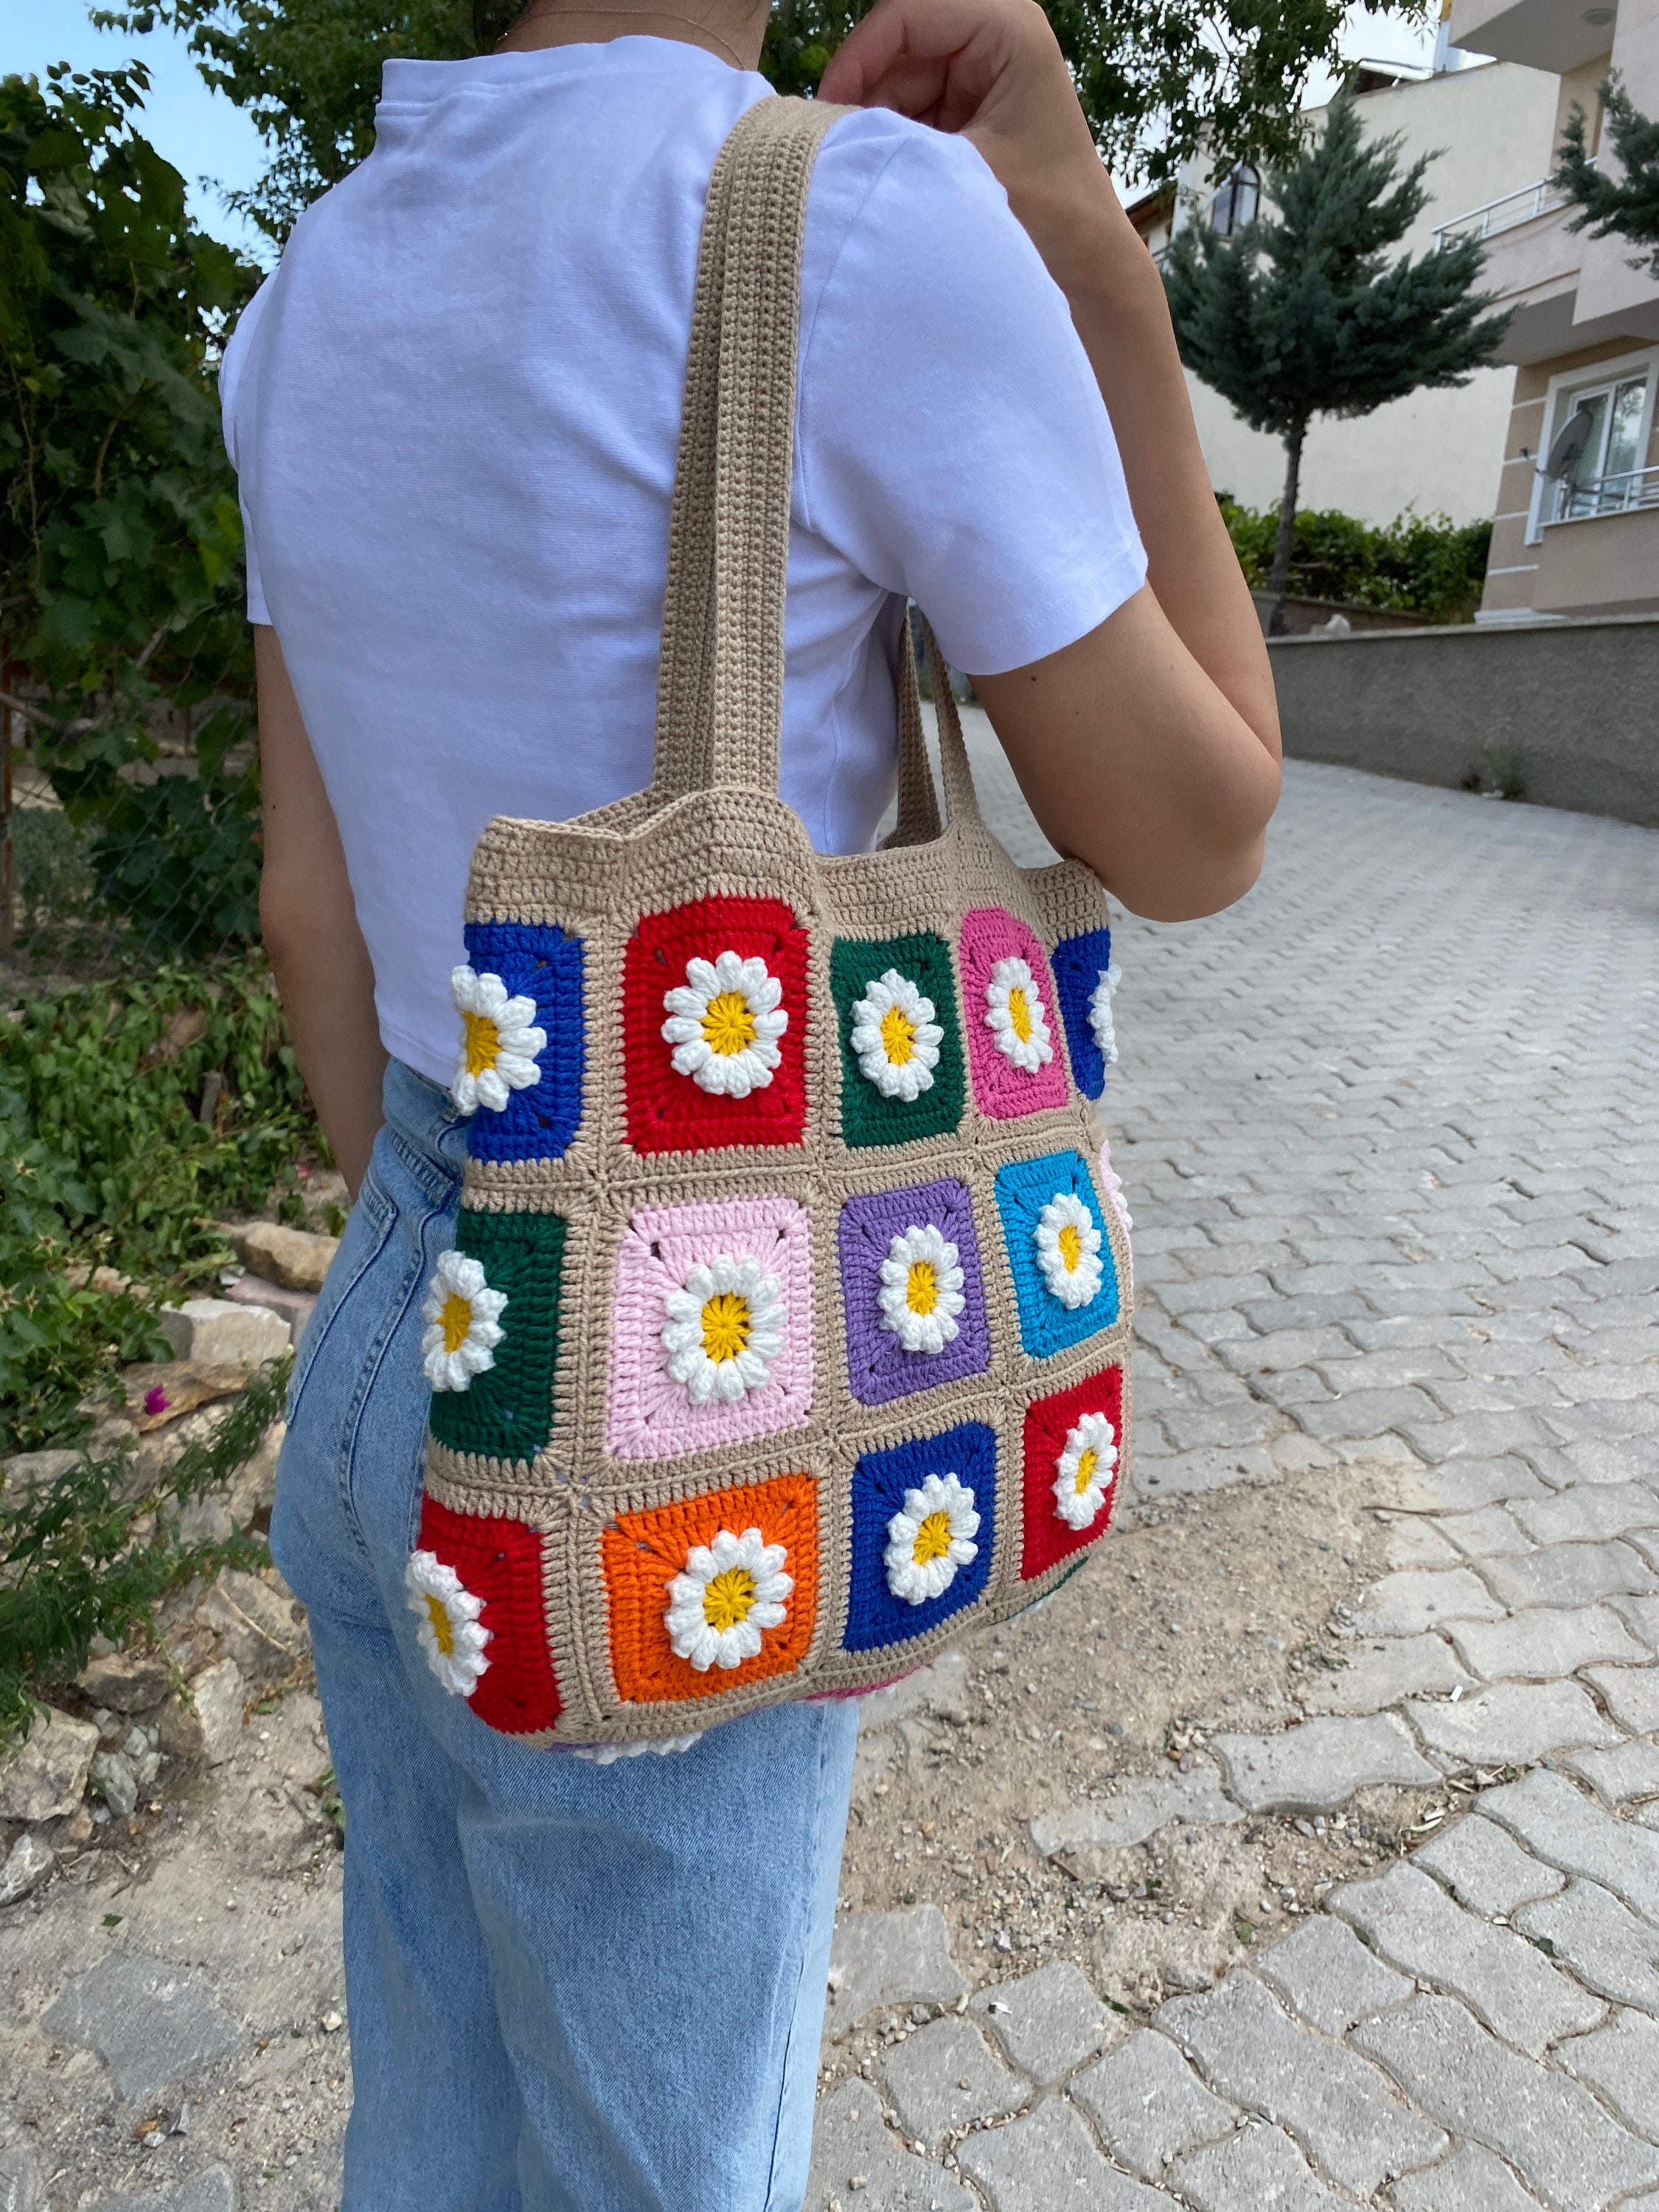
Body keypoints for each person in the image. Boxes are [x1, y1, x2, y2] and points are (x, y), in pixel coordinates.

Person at [225, 0, 1280, 2199]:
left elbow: (310, 916)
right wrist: (1085, 240)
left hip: (400, 1310)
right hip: (696, 1390)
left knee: (431, 2106)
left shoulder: (308, 289)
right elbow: (1200, 831)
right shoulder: (845, 226)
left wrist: (463, 1310)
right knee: (661, 2166)